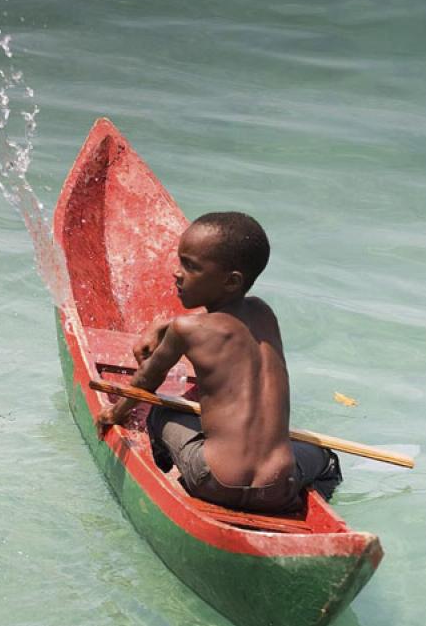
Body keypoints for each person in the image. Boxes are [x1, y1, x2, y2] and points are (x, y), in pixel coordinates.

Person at [97, 212, 342, 513]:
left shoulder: (185, 331)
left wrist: (113, 415)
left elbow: (144, 383)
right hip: (279, 487)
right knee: (327, 458)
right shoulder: (265, 314)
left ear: (231, 281)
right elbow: (225, 324)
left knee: (157, 411)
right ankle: (301, 512)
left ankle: (170, 476)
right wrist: (165, 324)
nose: (177, 273)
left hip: (213, 480)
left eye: (190, 266)